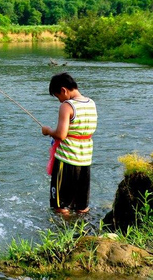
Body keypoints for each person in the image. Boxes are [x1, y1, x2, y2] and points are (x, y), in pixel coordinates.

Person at [41, 72, 97, 215]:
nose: (59, 100)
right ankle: (81, 233)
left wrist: (48, 131)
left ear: (64, 90)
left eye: (58, 96)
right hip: (85, 160)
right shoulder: (91, 103)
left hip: (66, 160)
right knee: (81, 207)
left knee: (60, 206)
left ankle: (62, 233)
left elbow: (61, 134)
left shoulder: (67, 106)